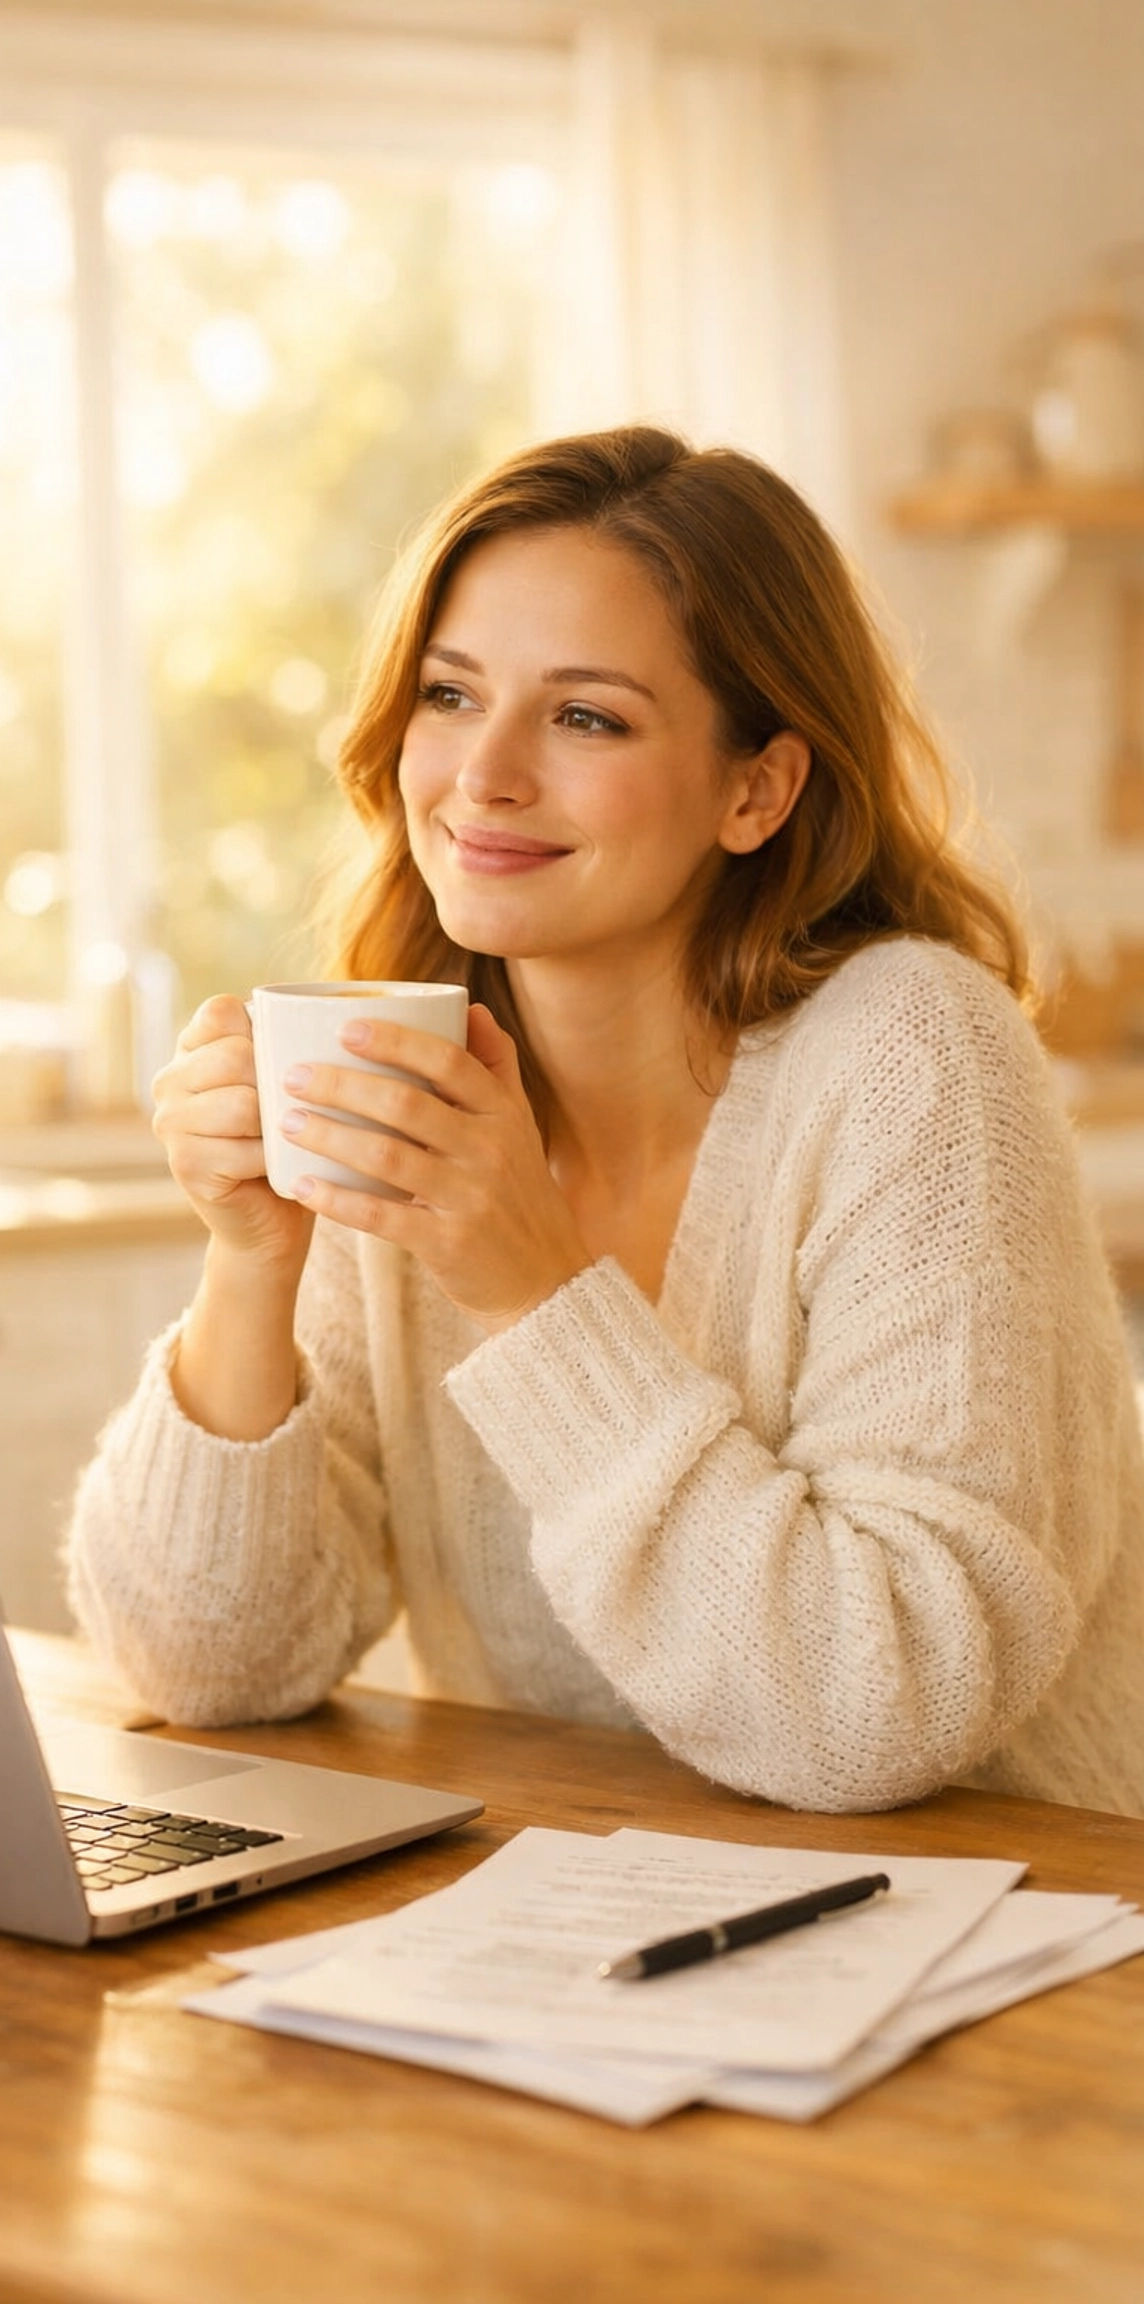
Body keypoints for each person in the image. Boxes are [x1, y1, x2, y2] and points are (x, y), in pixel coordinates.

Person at [67, 424, 1144, 1818]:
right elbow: (204, 1665)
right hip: (565, 1925)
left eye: (587, 717)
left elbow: (877, 1714)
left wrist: (530, 1287)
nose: (484, 776)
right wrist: (253, 1262)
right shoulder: (422, 1076)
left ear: (756, 789)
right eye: (451, 696)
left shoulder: (913, 1058)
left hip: (1015, 1942)